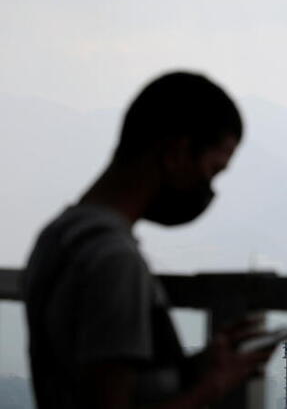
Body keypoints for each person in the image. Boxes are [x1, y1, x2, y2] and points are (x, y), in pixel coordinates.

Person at [23, 71, 272, 408]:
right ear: (176, 153)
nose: (208, 190)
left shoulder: (57, 237)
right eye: (211, 170)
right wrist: (214, 386)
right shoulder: (113, 262)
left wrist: (196, 368)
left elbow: (90, 374)